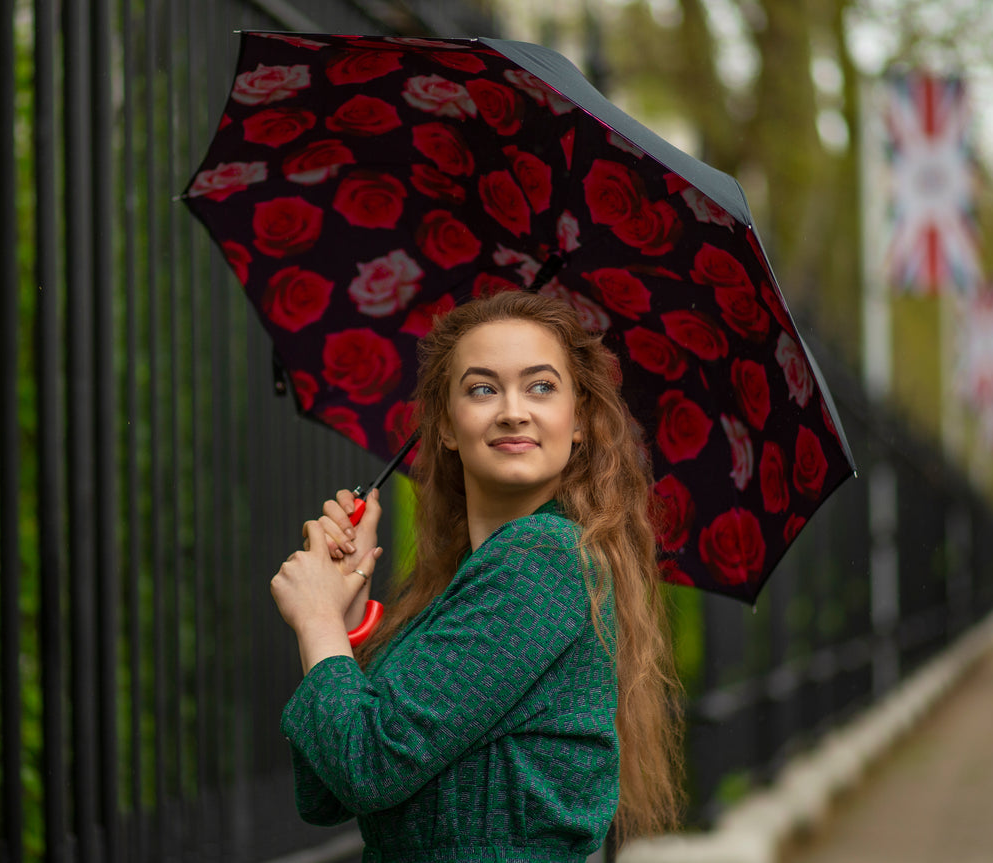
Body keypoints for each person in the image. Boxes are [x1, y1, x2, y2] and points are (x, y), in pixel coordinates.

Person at [270, 291, 683, 860]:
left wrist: (315, 620)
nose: (513, 410)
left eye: (541, 386)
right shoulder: (473, 581)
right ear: (444, 424)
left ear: (580, 419)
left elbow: (367, 766)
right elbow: (326, 792)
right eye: (483, 388)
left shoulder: (543, 560)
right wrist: (347, 616)